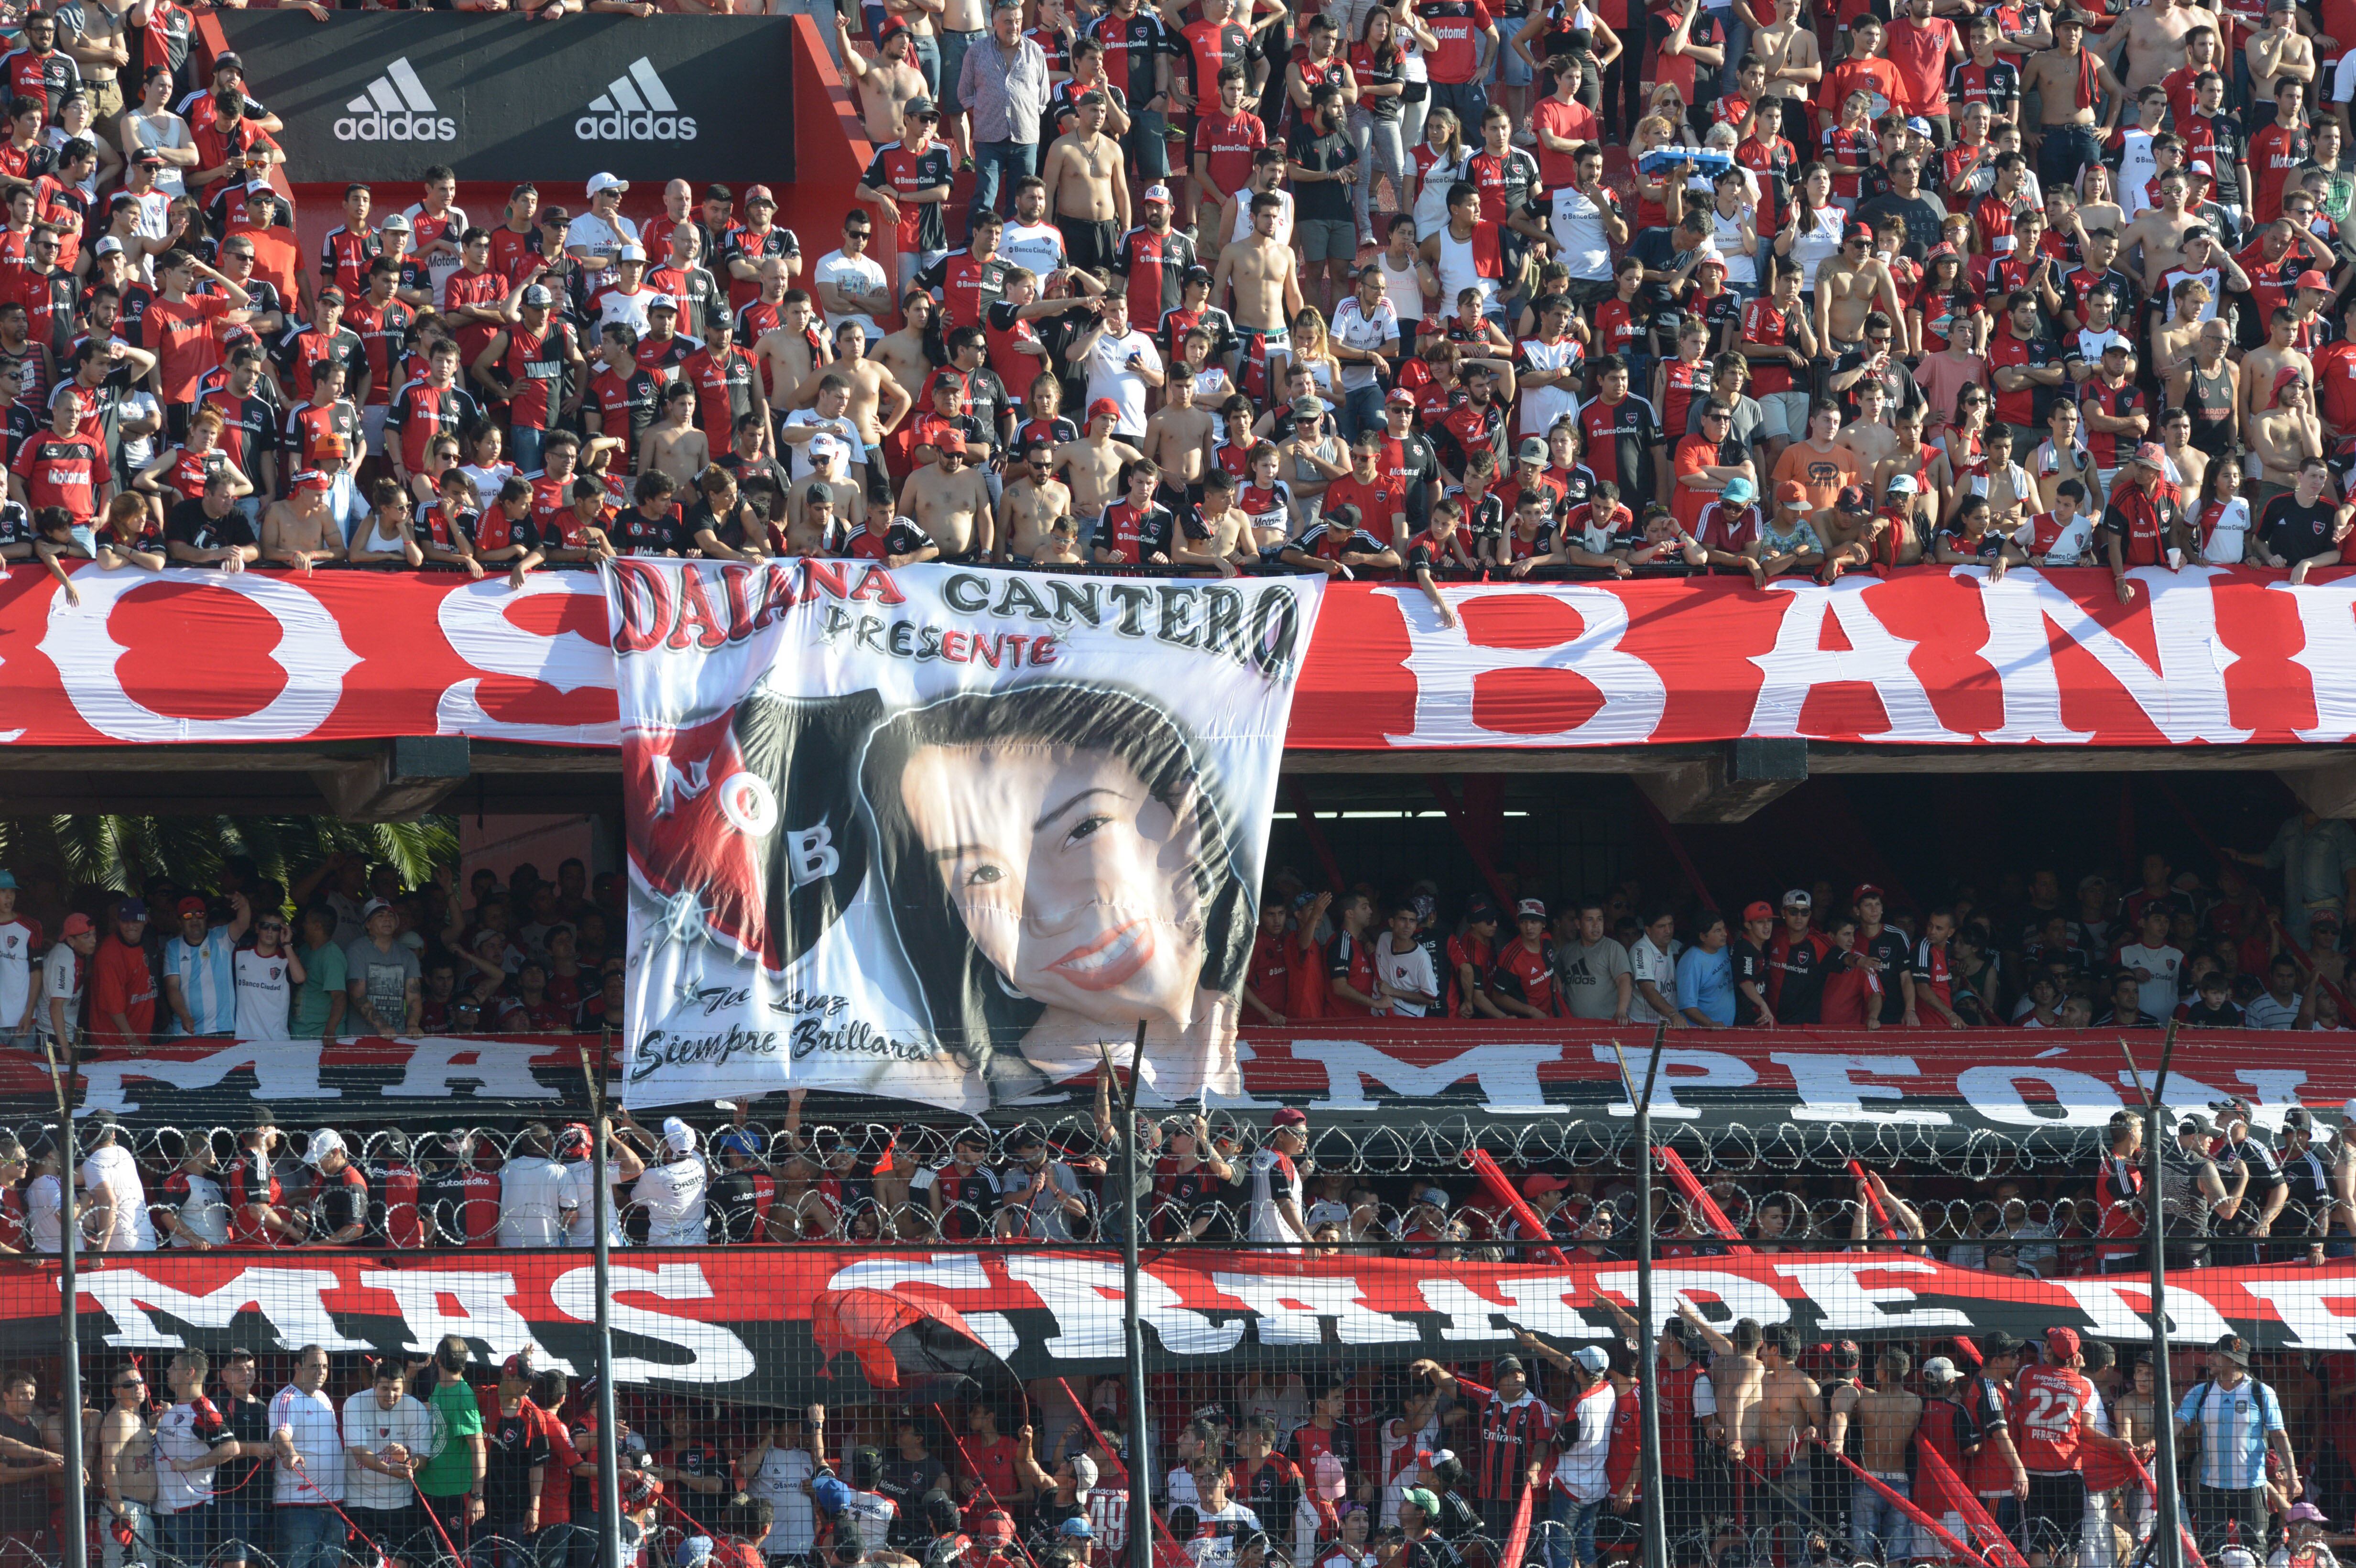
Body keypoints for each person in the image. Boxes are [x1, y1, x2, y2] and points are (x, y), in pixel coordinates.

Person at [2176, 1334, 2298, 1558]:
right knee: (2210, 1551)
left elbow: (2279, 1436)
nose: (2210, 1358)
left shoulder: (2261, 1392)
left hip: (2251, 1485)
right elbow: (2177, 1423)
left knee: (2256, 1551)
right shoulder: (2200, 1392)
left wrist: (2293, 1475)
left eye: (2217, 1354)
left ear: (2233, 1361)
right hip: (2210, 1486)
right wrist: (2155, 1442)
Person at [269, 1344, 348, 1568]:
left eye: (325, 1367)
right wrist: (291, 1453)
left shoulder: (324, 1398)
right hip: (298, 1508)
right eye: (314, 1366)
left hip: (333, 1505)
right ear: (298, 1367)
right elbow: (280, 1434)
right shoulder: (286, 1399)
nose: (321, 1372)